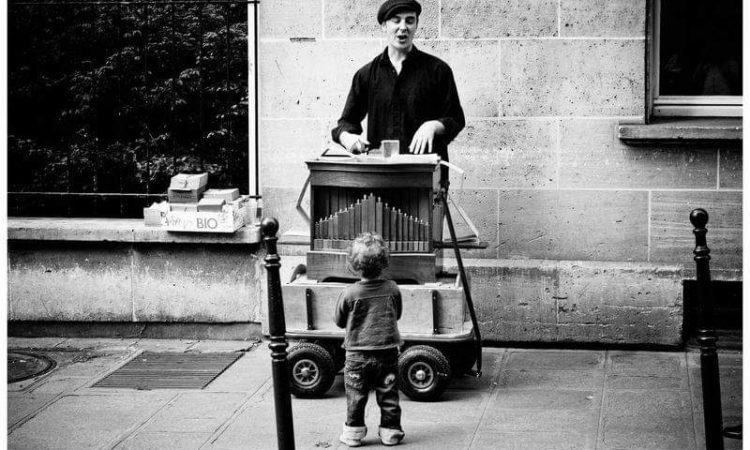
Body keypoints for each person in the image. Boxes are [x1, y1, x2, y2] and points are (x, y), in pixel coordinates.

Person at [331, 0, 465, 187]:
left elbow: (456, 118)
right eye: (396, 21)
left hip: (425, 180)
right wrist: (347, 138)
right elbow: (345, 123)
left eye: (410, 21)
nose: (403, 27)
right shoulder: (366, 75)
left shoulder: (438, 71)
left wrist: (434, 125)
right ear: (384, 25)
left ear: (416, 25)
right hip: (381, 181)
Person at [334, 232, 405, 447]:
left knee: (356, 395)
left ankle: (353, 434)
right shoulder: (392, 288)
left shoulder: (349, 293)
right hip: (387, 353)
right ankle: (391, 432)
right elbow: (397, 314)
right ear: (384, 262)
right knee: (389, 395)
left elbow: (338, 320)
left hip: (357, 355)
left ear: (354, 265)